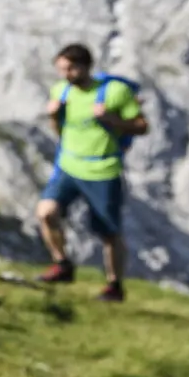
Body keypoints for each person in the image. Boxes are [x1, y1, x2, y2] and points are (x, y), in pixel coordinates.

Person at [36, 43, 149, 301]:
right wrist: (54, 117)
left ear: (84, 67)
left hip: (102, 170)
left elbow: (142, 126)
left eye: (69, 69)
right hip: (68, 166)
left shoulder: (115, 92)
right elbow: (62, 132)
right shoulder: (61, 91)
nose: (64, 75)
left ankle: (115, 285)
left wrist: (112, 120)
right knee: (46, 212)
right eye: (61, 69)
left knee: (108, 232)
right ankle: (62, 263)